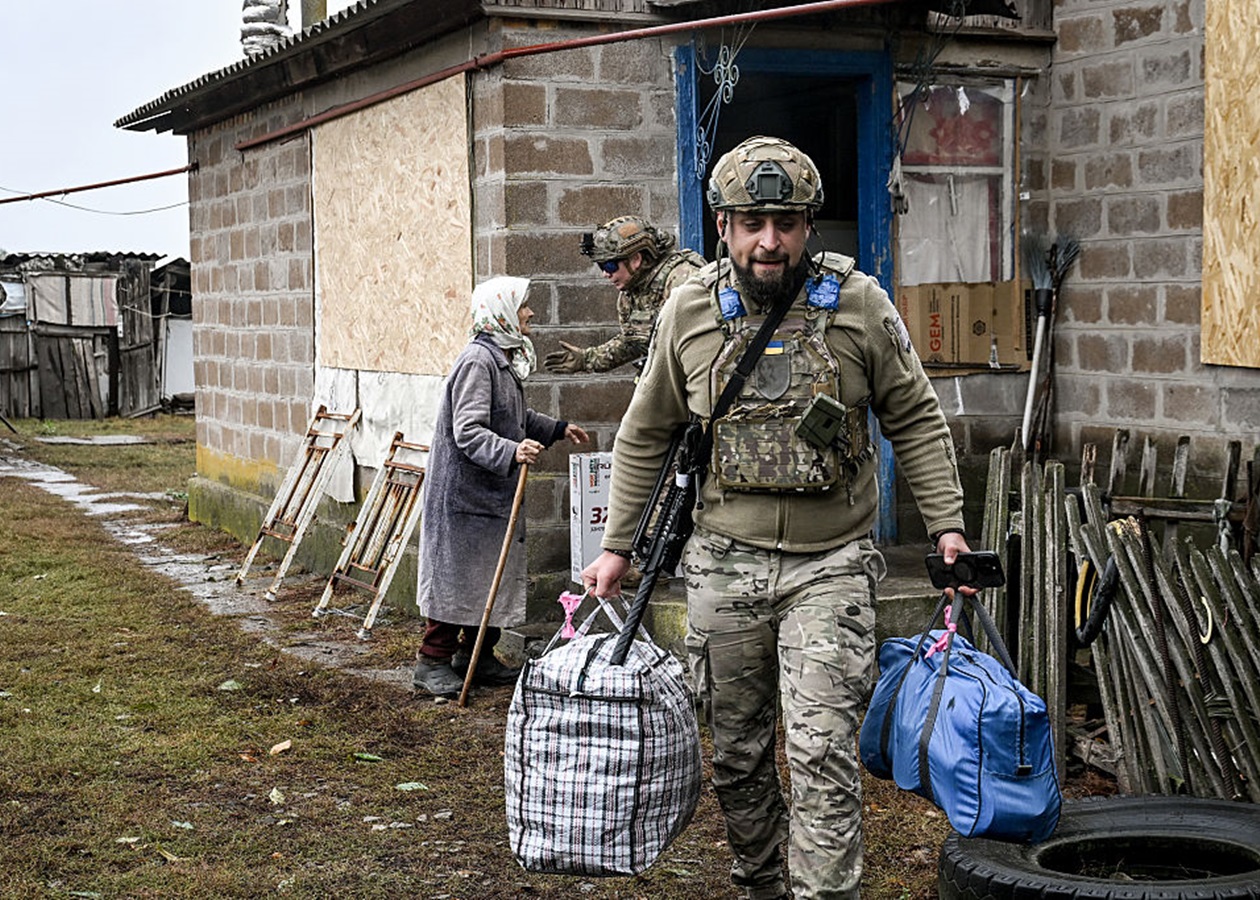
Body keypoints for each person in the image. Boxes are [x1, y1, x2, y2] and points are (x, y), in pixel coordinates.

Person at [582, 136, 972, 900]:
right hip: (723, 561)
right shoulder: (687, 313)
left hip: (829, 565)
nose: (770, 240)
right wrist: (616, 548)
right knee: (735, 755)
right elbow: (645, 431)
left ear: (807, 226)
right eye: (753, 221)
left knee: (823, 750)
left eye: (786, 222)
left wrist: (947, 525)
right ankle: (761, 883)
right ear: (722, 226)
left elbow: (916, 418)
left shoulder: (859, 305)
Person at [415, 275, 589, 699]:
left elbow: (514, 416)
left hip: (487, 494)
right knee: (459, 580)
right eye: (523, 306)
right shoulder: (478, 361)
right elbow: (470, 430)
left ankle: (477, 655)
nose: (530, 312)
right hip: (465, 498)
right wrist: (512, 452)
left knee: (486, 577)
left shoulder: (501, 359)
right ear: (502, 313)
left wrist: (558, 428)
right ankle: (431, 662)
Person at [543, 215, 704, 374]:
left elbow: (705, 345)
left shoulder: (682, 280)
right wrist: (587, 359)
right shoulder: (631, 293)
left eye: (610, 265)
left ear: (636, 259)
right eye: (601, 266)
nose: (605, 274)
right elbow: (630, 343)